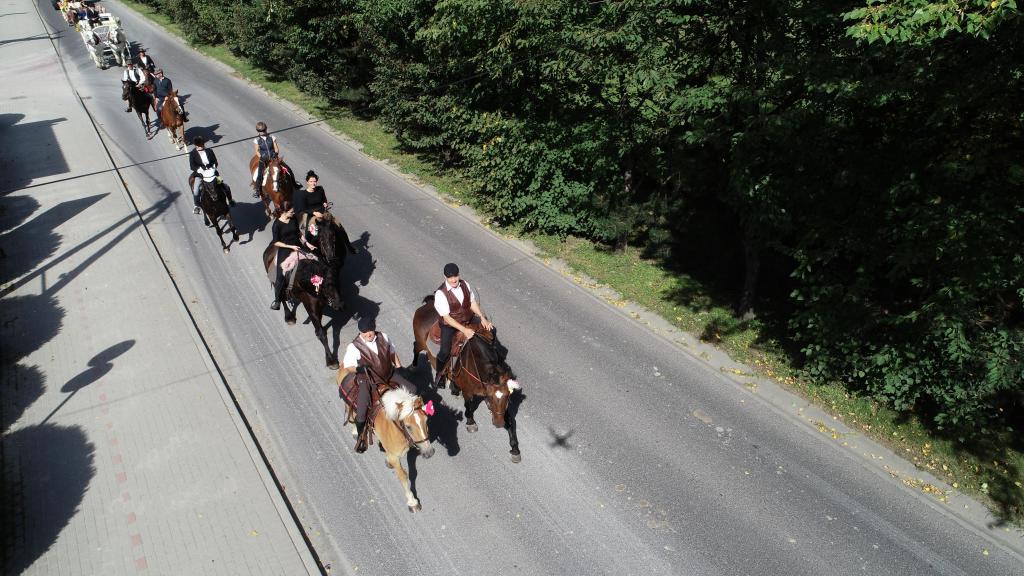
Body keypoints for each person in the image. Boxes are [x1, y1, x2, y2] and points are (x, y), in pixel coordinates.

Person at [338, 317, 413, 453]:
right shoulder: (354, 347)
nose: (368, 334)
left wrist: (399, 367)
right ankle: (361, 437)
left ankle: (414, 422)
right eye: (364, 332)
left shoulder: (383, 337)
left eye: (370, 331)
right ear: (360, 332)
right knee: (362, 410)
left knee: (413, 390)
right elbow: (348, 365)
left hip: (388, 375)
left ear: (374, 329)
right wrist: (359, 369)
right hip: (367, 379)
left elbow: (392, 353)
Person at [431, 262, 493, 389]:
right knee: (444, 351)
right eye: (450, 277)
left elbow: (472, 302)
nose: (453, 279)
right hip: (450, 325)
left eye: (455, 276)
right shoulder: (441, 293)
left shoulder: (465, 285)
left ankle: (490, 360)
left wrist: (482, 317)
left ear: (459, 274)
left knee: (489, 331)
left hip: (468, 318)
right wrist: (465, 330)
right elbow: (447, 318)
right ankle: (440, 374)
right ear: (445, 277)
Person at [188, 137, 235, 213]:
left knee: (224, 186)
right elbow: (192, 166)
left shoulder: (209, 151)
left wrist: (213, 168)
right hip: (200, 174)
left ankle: (230, 200)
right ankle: (196, 206)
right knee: (196, 190)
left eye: (202, 145)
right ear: (196, 145)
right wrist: (200, 170)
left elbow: (215, 161)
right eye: (200, 146)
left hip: (212, 172)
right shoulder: (192, 154)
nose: (202, 147)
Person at [269, 202, 300, 310]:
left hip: (298, 246)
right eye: (291, 212)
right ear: (284, 212)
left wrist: (307, 242)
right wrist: (290, 246)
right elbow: (276, 242)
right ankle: (277, 301)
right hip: (285, 249)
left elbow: (298, 233)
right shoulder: (276, 225)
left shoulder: (293, 218)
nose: (293, 213)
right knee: (280, 276)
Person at [294, 170, 329, 243]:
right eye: (311, 181)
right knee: (313, 231)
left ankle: (346, 244)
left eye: (315, 181)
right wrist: (314, 213)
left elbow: (324, 199)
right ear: (307, 182)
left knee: (337, 225)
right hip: (310, 214)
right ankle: (308, 244)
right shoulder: (303, 194)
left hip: (322, 211)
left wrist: (325, 203)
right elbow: (304, 208)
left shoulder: (320, 189)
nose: (313, 183)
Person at [251, 121, 280, 192]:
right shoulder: (256, 140)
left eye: (264, 130)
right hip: (263, 160)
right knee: (259, 174)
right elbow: (257, 151)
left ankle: (294, 183)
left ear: (266, 129)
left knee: (287, 169)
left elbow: (276, 148)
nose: (262, 132)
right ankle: (257, 189)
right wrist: (261, 157)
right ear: (258, 131)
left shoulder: (272, 138)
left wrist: (275, 154)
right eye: (260, 131)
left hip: (273, 159)